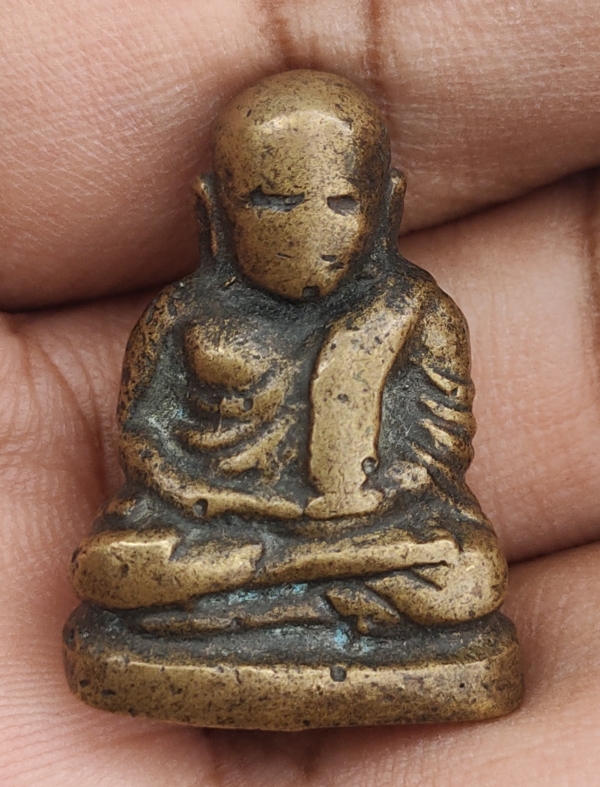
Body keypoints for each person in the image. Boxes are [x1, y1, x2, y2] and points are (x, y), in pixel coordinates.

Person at [2, 0, 600, 783]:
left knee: (470, 573)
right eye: (275, 201)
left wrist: (373, 497)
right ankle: (308, 587)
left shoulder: (417, 313)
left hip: (366, 524)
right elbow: (145, 441)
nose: (308, 228)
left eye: (341, 201)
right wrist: (220, 500)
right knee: (112, 566)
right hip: (220, 520)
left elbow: (441, 443)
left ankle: (259, 591)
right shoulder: (182, 316)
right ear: (215, 211)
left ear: (387, 207)